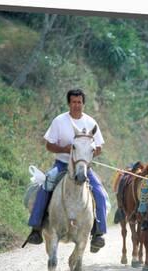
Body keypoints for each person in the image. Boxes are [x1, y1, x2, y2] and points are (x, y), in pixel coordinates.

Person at [25, 89, 109, 251]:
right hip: (62, 164)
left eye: (79, 102)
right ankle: (36, 227)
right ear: (69, 103)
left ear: (83, 104)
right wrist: (64, 149)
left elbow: (99, 147)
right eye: (73, 102)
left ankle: (98, 233)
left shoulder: (91, 123)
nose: (76, 105)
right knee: (47, 183)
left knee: (99, 191)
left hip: (84, 166)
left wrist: (87, 153)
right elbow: (49, 145)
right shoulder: (59, 121)